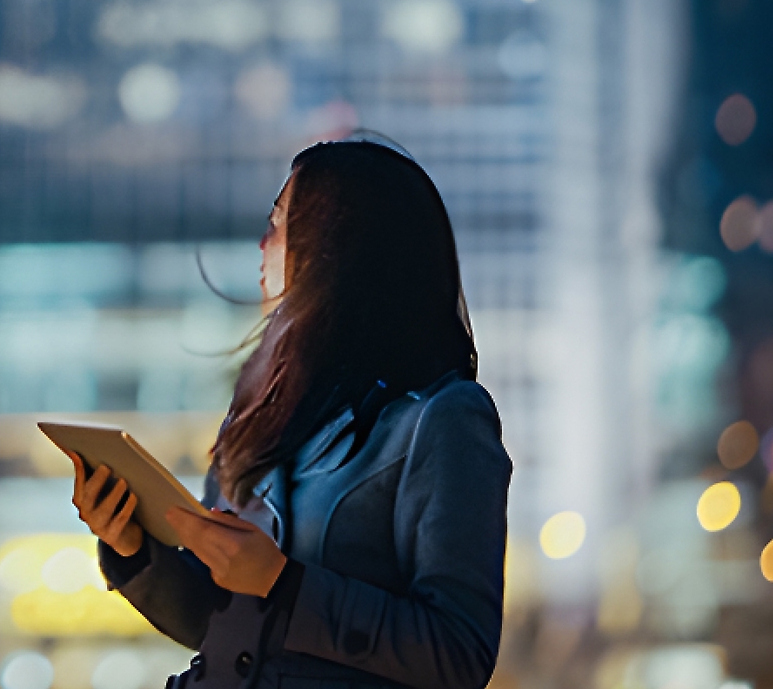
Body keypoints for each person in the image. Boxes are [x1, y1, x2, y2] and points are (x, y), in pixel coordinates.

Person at [68, 138, 512, 689]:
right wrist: (134, 548)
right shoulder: (261, 412)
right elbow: (221, 627)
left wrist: (286, 584)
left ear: (338, 246)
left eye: (280, 224)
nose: (261, 244)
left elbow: (458, 653)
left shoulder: (442, 419)